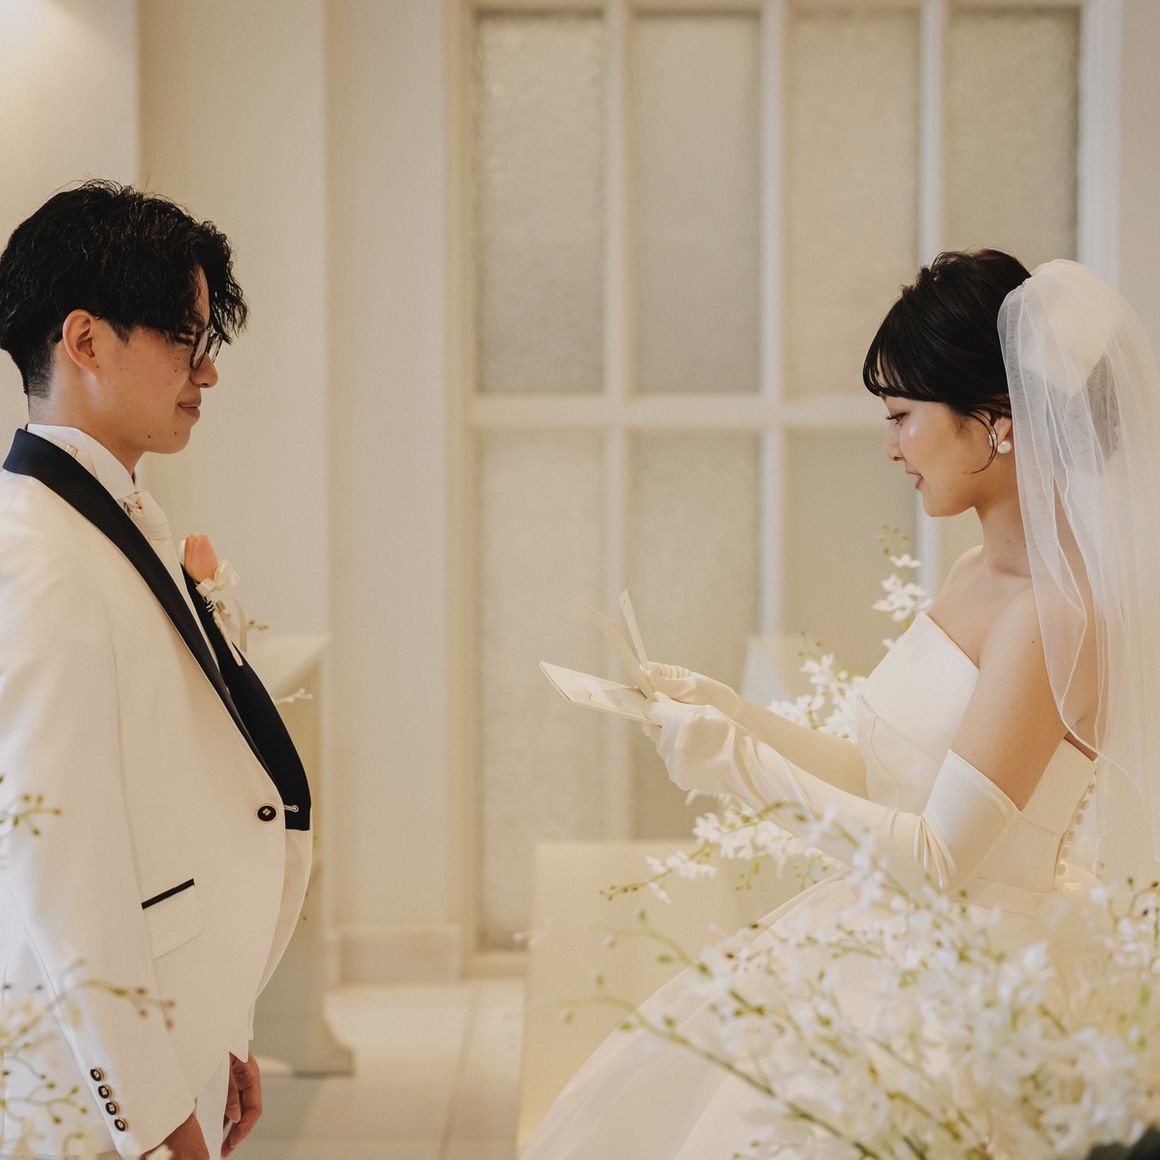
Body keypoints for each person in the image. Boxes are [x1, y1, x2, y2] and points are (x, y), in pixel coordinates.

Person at [522, 251, 1160, 1157]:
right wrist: (731, 711)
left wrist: (738, 767)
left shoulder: (1051, 616)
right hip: (887, 933)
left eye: (902, 416)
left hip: (963, 981)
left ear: (996, 422)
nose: (891, 447)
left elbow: (939, 857)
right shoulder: (975, 572)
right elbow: (879, 773)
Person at [0, 182, 312, 1160]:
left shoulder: (111, 521)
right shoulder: (36, 556)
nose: (206, 371)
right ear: (85, 340)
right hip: (91, 1090)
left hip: (175, 1038)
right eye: (185, 338)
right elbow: (59, 864)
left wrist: (221, 1035)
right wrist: (147, 1112)